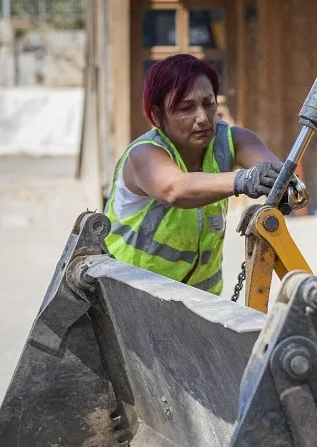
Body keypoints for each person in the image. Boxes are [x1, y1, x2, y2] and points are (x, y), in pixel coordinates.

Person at [104, 53, 298, 295]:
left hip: (201, 303)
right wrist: (243, 179)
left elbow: (272, 168)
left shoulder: (233, 140)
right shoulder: (144, 155)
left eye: (209, 103)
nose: (203, 118)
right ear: (157, 115)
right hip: (129, 297)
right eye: (186, 108)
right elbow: (175, 189)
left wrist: (286, 184)